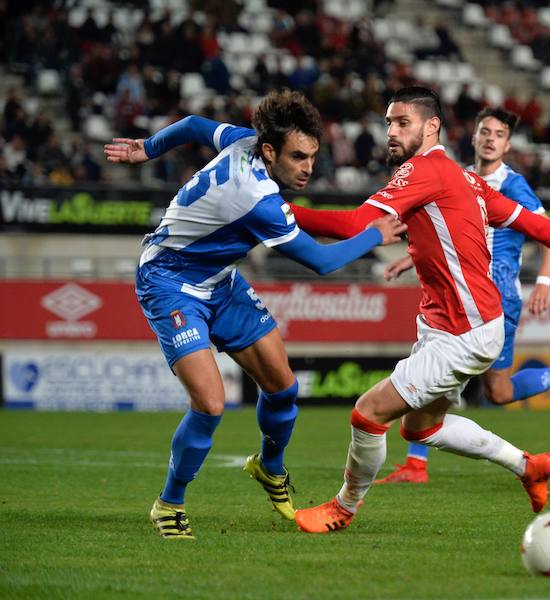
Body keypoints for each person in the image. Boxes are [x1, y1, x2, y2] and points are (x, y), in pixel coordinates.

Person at [287, 86, 550, 533]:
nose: (390, 131)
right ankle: (528, 466)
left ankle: (343, 507)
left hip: (464, 332)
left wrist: (276, 210)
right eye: (388, 122)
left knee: (368, 412)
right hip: (451, 326)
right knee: (420, 428)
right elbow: (533, 224)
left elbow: (355, 224)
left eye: (401, 122)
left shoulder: (426, 171)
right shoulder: (466, 179)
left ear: (432, 127)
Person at [103, 90, 406, 539]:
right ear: (270, 151)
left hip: (220, 281)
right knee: (210, 403)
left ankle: (270, 467)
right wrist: (374, 235)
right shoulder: (257, 198)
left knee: (283, 388)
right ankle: (169, 503)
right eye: (298, 157)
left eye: (312, 156)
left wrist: (146, 149)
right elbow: (320, 262)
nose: (308, 167)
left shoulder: (244, 140)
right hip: (169, 283)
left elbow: (190, 125)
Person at [375, 106, 550, 485]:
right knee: (436, 378)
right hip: (463, 296)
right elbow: (450, 240)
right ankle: (416, 464)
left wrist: (543, 283)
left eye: (498, 134)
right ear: (475, 136)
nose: (490, 139)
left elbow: (548, 235)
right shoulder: (459, 177)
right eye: (485, 131)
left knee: (496, 391)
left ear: (508, 144)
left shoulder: (513, 186)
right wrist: (409, 260)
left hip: (497, 300)